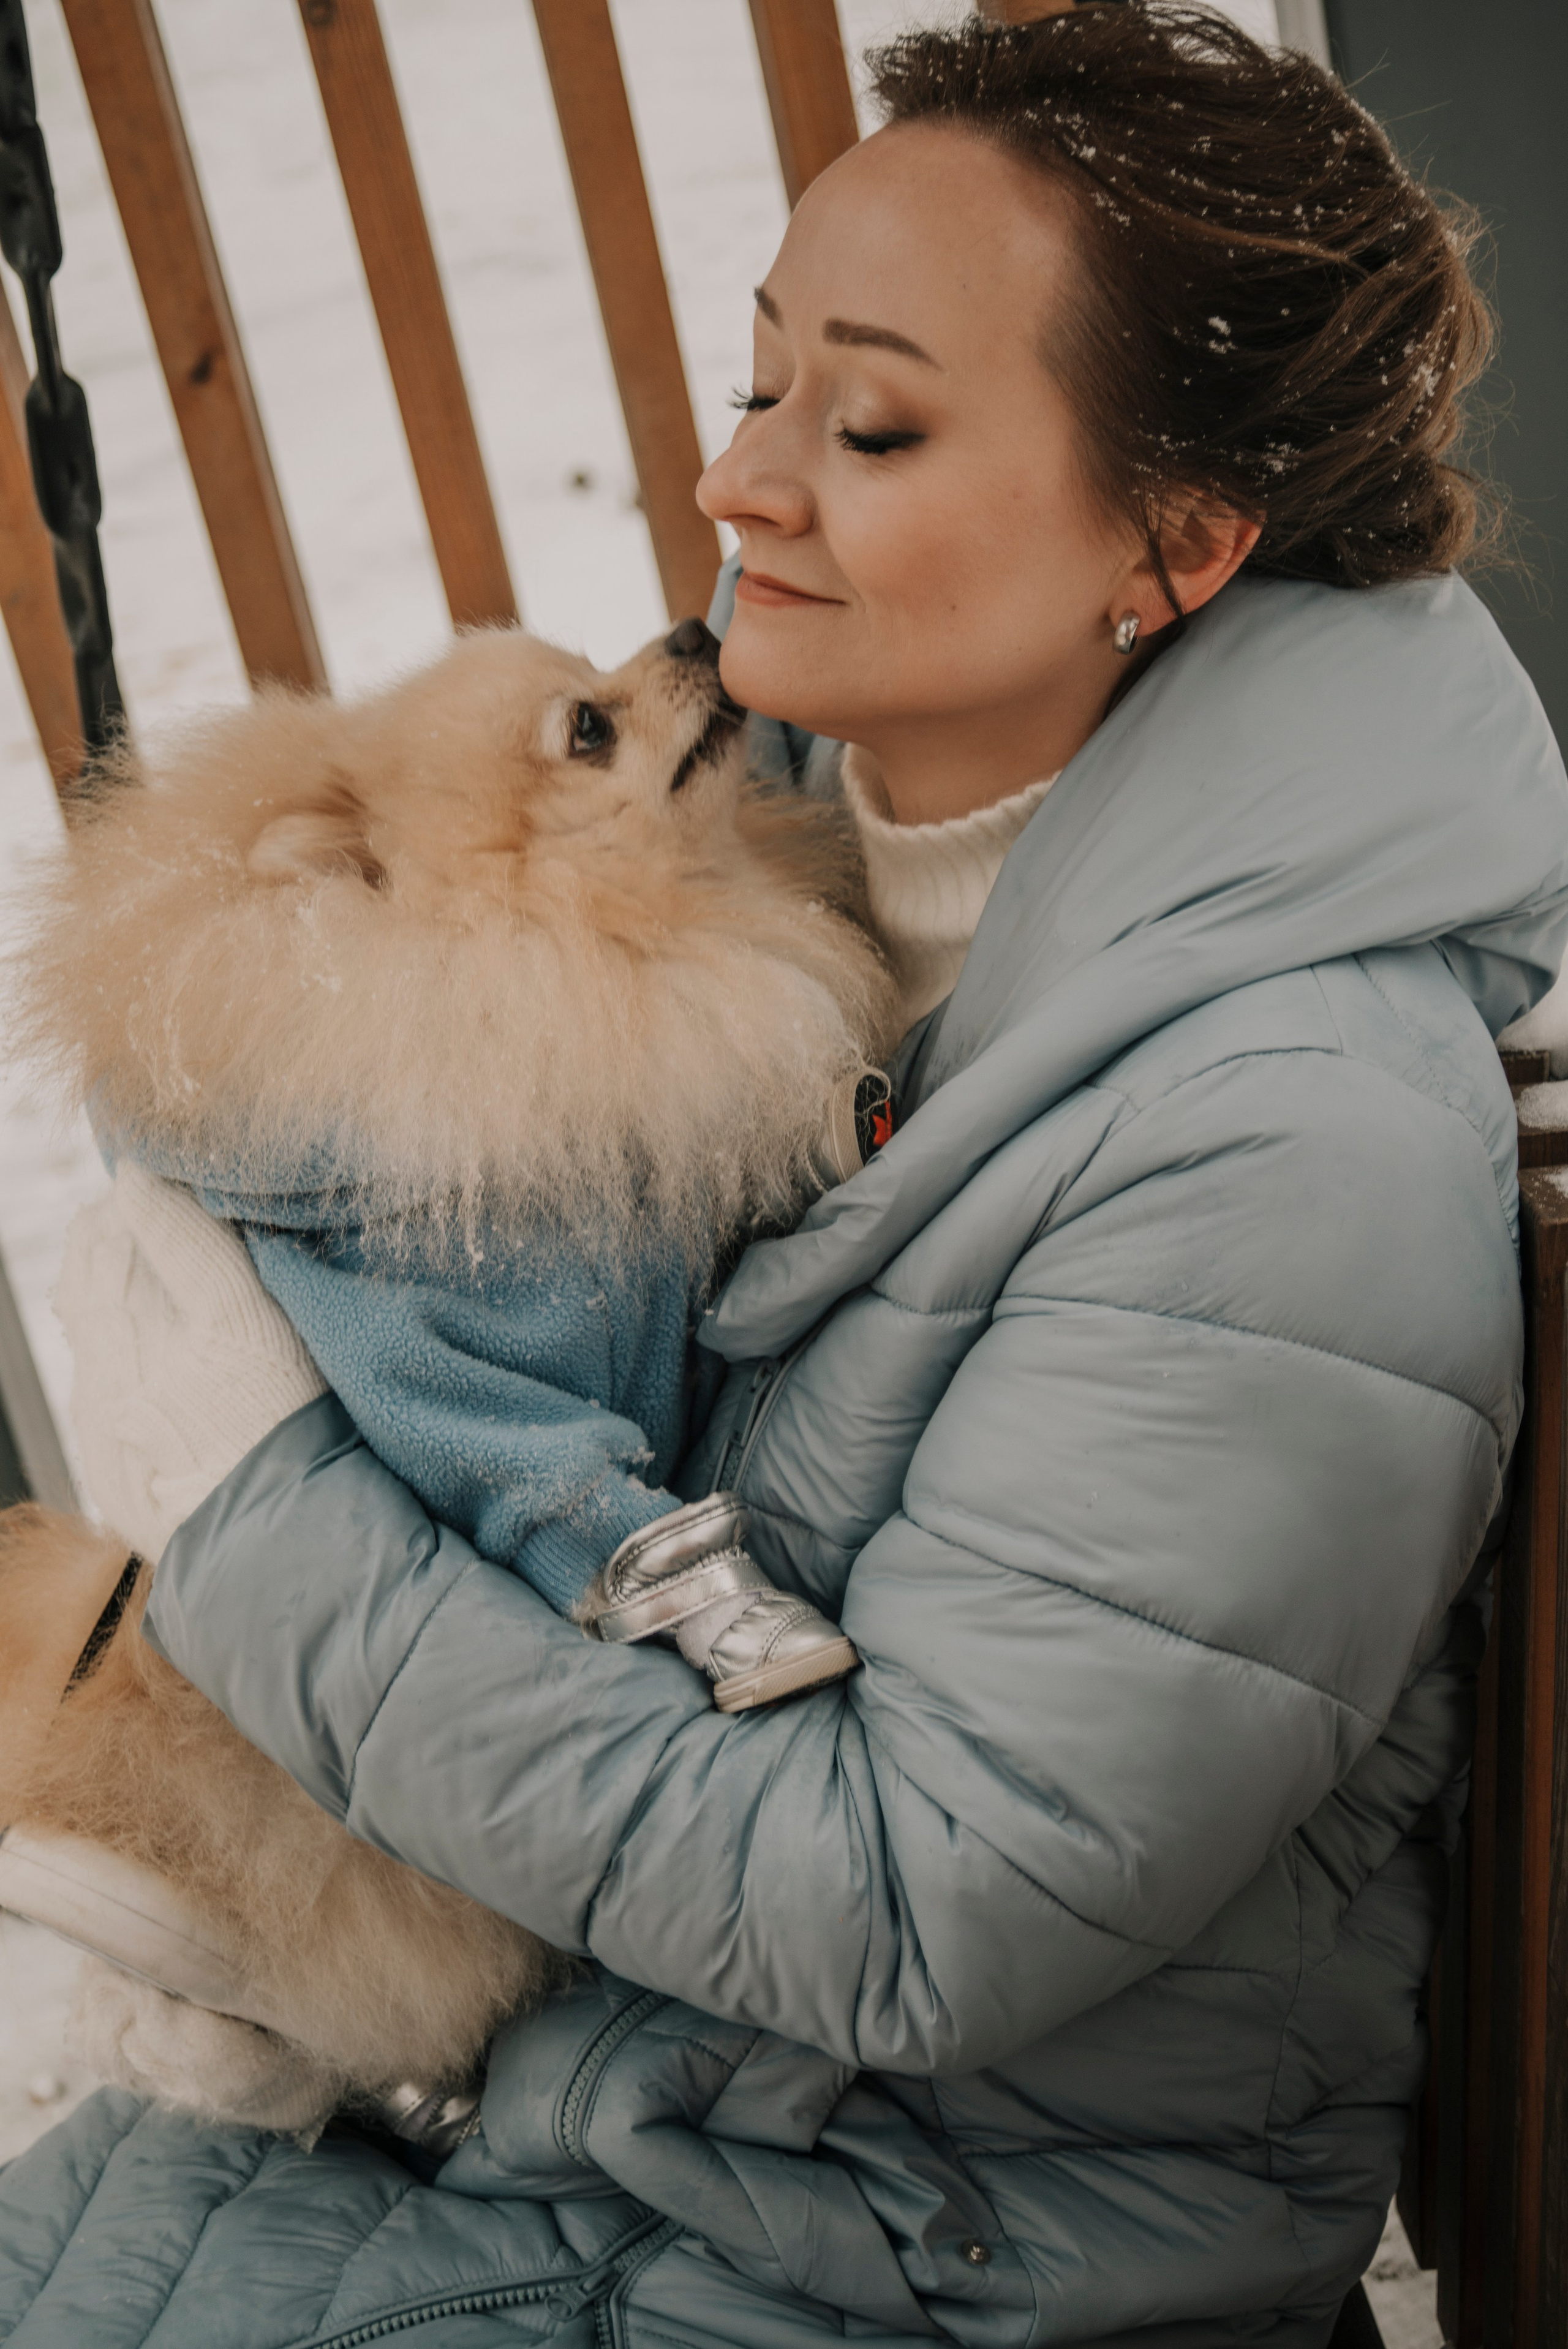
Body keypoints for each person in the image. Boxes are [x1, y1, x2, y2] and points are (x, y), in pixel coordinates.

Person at [4, 7, 1564, 2343]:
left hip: (906, 2249)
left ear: (1177, 538)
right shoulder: (811, 893)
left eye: (875, 424)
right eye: (759, 386)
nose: (736, 481)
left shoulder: (1286, 1152)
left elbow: (913, 1915)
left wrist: (264, 1508)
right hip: (617, 2113)